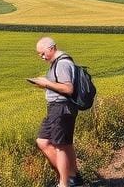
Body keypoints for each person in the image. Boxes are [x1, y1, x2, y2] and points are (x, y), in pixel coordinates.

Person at [31, 37, 84, 187]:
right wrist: (45, 85)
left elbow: (68, 89)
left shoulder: (62, 63)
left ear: (51, 48)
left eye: (42, 53)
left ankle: (64, 182)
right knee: (44, 142)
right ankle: (73, 176)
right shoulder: (57, 63)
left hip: (61, 108)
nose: (41, 57)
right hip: (56, 108)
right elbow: (59, 85)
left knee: (60, 146)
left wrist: (46, 83)